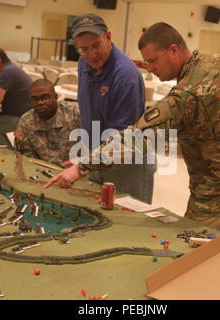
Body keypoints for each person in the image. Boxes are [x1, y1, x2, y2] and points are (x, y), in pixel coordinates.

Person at [45, 22, 220, 236]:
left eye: (152, 61)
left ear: (173, 51)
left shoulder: (185, 96)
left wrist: (80, 168)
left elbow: (135, 138)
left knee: (201, 244)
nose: (149, 69)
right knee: (214, 240)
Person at [69, 13, 156, 204]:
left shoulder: (125, 75)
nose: (92, 54)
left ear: (108, 37)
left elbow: (121, 139)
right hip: (97, 157)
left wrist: (82, 167)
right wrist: (86, 152)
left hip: (127, 162)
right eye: (84, 49)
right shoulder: (84, 62)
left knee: (127, 220)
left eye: (97, 45)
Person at [15, 79, 80, 167]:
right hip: (43, 171)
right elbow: (26, 155)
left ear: (56, 97)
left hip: (77, 171)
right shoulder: (26, 121)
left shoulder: (75, 112)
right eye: (35, 99)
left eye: (45, 98)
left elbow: (95, 145)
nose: (40, 102)